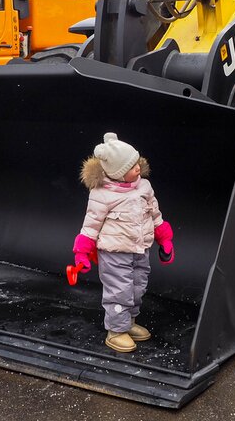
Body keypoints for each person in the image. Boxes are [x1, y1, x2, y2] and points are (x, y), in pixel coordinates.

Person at [72, 132, 175, 353]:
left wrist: (164, 239)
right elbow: (91, 225)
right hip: (114, 253)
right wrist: (82, 253)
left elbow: (155, 214)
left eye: (137, 162)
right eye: (130, 167)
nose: (137, 168)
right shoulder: (102, 194)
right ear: (116, 173)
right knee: (119, 291)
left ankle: (128, 322)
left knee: (138, 287)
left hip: (140, 249)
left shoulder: (144, 187)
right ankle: (116, 331)